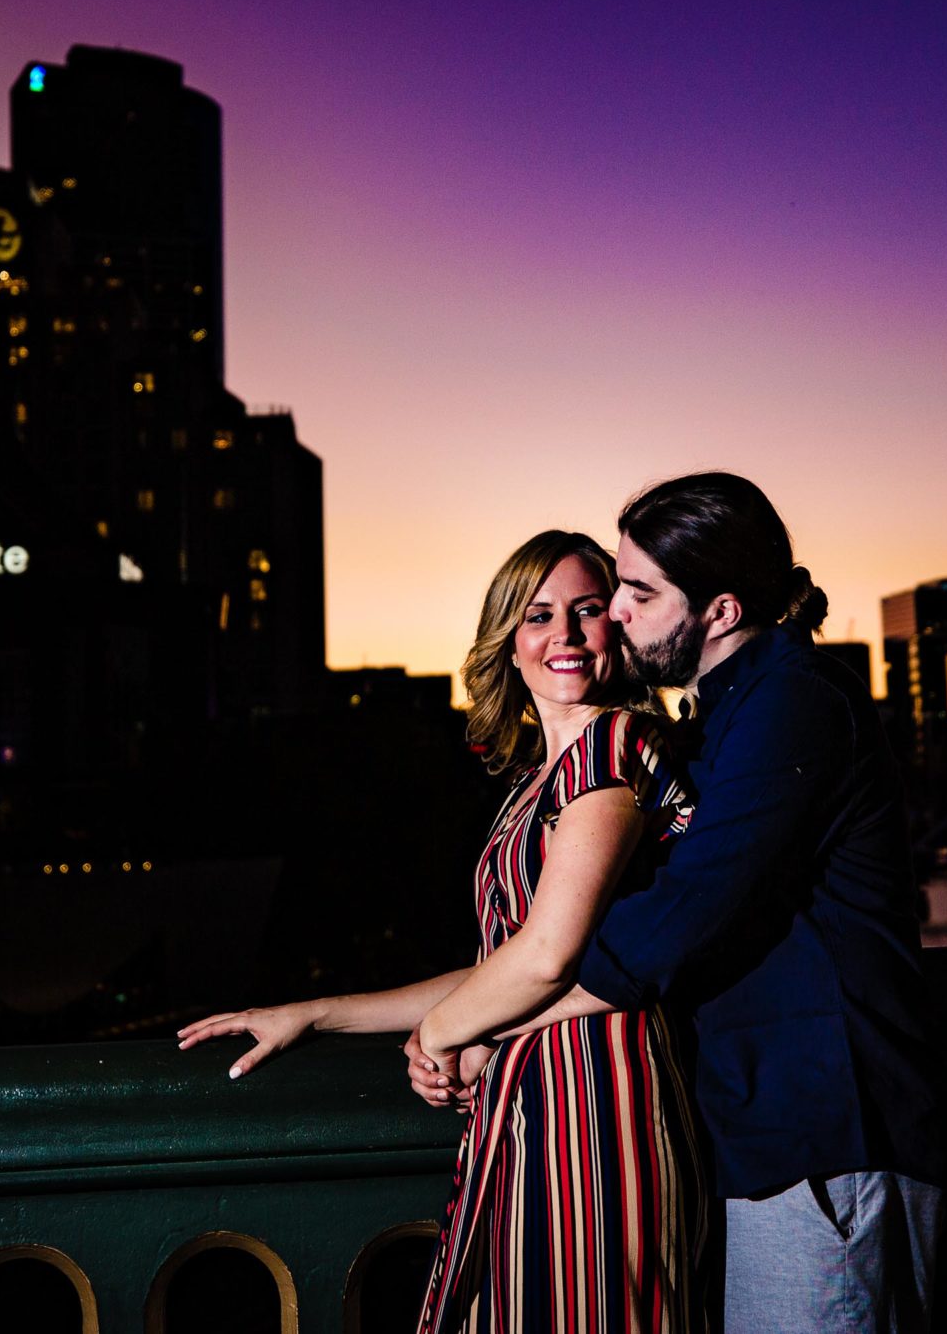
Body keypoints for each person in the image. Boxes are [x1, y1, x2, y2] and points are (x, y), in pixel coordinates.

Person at [178, 529, 708, 1333]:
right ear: (510, 644)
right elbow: (497, 968)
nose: (563, 634)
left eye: (587, 610)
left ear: (619, 630)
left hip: (600, 1112)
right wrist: (315, 1012)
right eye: (537, 615)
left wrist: (442, 1032)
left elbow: (546, 954)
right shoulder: (536, 784)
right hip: (527, 1109)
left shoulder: (615, 745)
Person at [463, 473, 947, 1334]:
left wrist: (490, 1023)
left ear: (718, 611)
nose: (614, 613)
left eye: (638, 593)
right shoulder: (714, 721)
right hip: (761, 1135)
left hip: (829, 1138)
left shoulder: (794, 701)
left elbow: (681, 914)